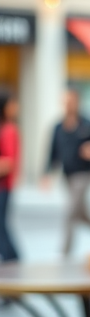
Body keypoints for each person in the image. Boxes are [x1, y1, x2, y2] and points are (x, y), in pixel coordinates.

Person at [45, 89, 90, 256]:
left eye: (71, 101)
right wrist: (46, 172)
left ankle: (65, 253)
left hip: (85, 173)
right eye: (65, 102)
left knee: (69, 212)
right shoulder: (58, 127)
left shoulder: (88, 124)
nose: (68, 105)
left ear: (77, 102)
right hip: (67, 174)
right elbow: (52, 152)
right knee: (81, 214)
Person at [0, 93, 20, 262]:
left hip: (3, 186)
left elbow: (8, 163)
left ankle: (13, 261)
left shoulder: (9, 130)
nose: (16, 108)